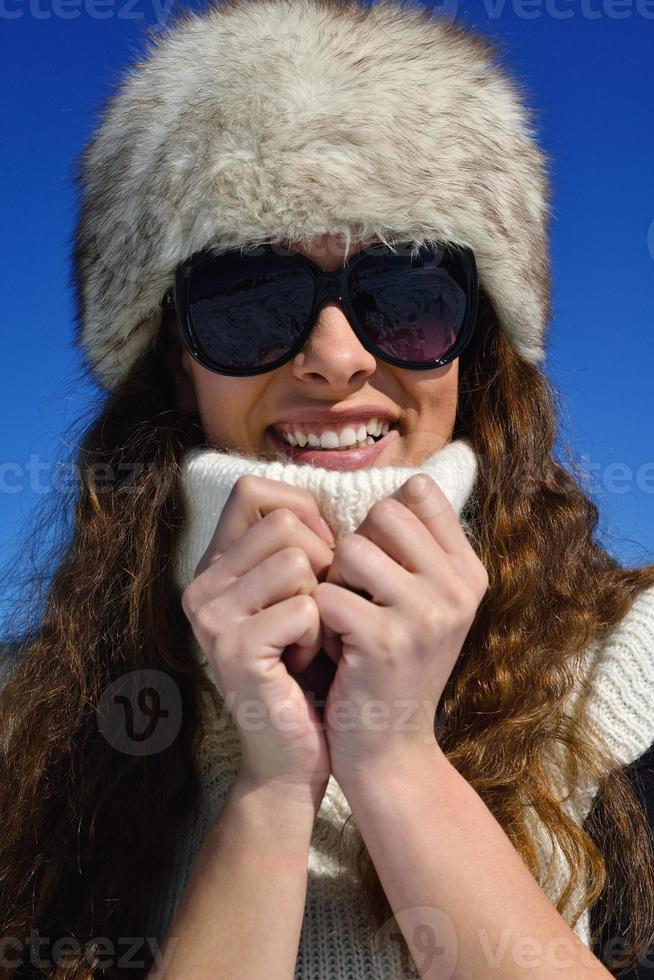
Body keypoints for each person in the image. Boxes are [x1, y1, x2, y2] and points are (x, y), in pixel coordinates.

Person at [1, 0, 653, 977]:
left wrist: (394, 762)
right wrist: (269, 792)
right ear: (178, 360)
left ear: (473, 346)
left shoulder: (634, 676)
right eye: (249, 298)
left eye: (409, 296)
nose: (337, 358)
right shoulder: (34, 730)